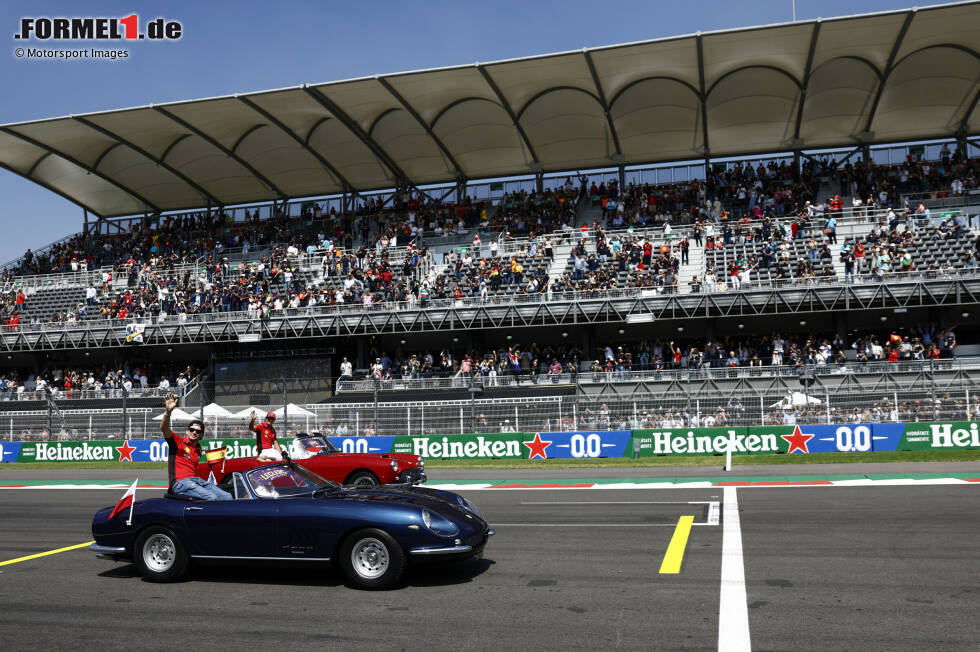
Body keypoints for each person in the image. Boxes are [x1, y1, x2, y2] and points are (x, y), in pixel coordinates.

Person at [160, 393, 230, 500]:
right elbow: (164, 428)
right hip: (180, 483)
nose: (194, 432)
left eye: (198, 431)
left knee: (227, 496)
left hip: (195, 480)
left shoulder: (199, 449)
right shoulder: (177, 441)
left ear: (201, 435)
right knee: (212, 497)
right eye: (192, 430)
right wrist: (168, 412)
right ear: (187, 431)